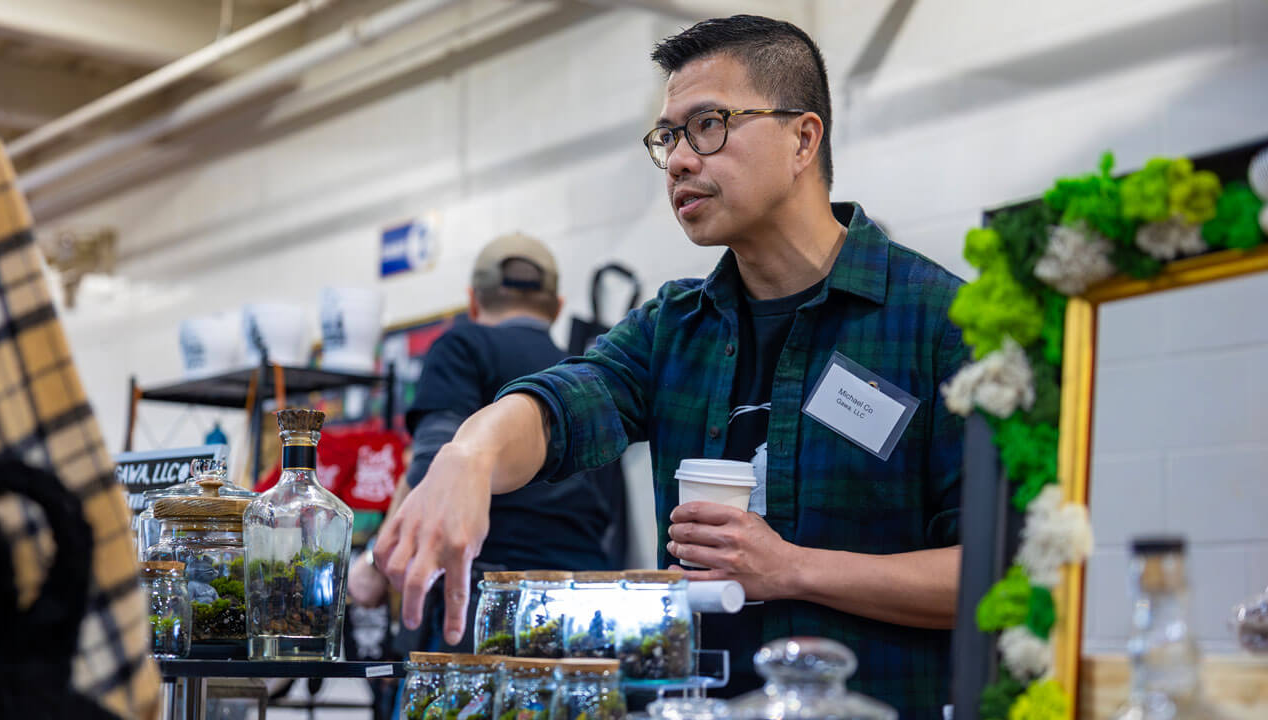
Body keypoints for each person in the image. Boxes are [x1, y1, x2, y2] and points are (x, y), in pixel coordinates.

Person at [375, 15, 966, 719]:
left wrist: (793, 569)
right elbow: (567, 405)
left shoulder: (938, 322)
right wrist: (469, 454)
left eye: (709, 125)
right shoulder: (675, 327)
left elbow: (995, 577)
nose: (681, 159)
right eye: (668, 137)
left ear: (804, 138)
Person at [349, 232, 619, 652]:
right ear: (557, 309)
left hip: (494, 599)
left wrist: (371, 565)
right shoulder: (585, 370)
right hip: (589, 595)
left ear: (473, 301)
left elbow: (433, 473)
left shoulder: (461, 346)